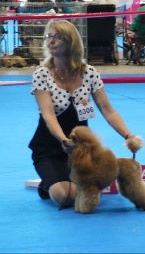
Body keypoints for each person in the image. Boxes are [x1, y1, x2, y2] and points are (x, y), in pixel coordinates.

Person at [29, 19, 138, 208]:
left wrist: (129, 136)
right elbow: (48, 115)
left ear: (71, 42)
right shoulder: (41, 74)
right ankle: (47, 184)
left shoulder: (90, 73)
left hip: (84, 151)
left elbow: (108, 110)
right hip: (50, 147)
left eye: (58, 37)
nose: (51, 41)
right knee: (66, 197)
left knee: (89, 189)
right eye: (49, 36)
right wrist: (64, 140)